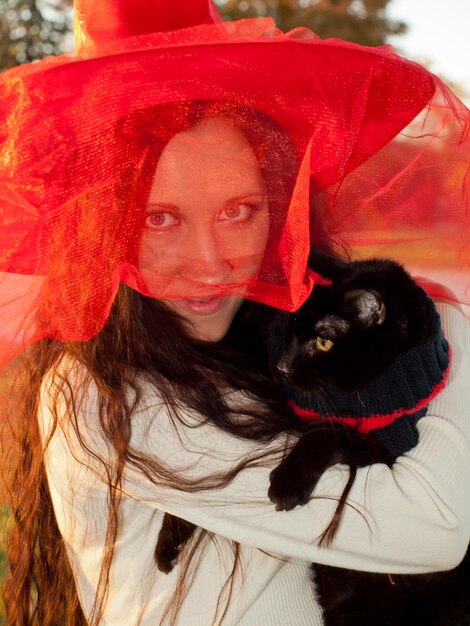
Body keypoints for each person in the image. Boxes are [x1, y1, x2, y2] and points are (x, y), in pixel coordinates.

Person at [1, 1, 470, 625]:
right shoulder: (105, 396)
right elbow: (432, 526)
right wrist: (449, 338)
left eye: (237, 210)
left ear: (279, 209)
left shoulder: (260, 339)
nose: (209, 262)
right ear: (103, 226)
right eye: (158, 218)